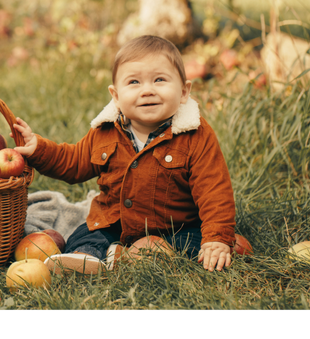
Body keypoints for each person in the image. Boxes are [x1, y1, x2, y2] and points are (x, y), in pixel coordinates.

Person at [13, 35, 236, 273]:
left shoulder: (195, 134)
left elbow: (215, 191)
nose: (147, 90)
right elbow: (72, 161)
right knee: (87, 235)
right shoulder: (106, 130)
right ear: (116, 96)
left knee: (186, 243)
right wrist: (38, 148)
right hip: (115, 220)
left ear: (183, 91)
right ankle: (85, 258)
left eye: (160, 80)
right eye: (134, 82)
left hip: (176, 226)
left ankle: (134, 254)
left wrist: (217, 237)